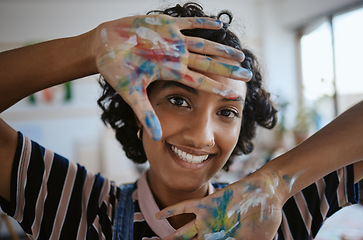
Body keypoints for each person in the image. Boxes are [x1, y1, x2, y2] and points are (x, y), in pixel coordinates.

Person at [0, 2, 362, 240]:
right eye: (178, 100)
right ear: (135, 106)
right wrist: (91, 48)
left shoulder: (278, 208)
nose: (201, 135)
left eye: (227, 112)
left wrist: (277, 182)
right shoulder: (83, 209)